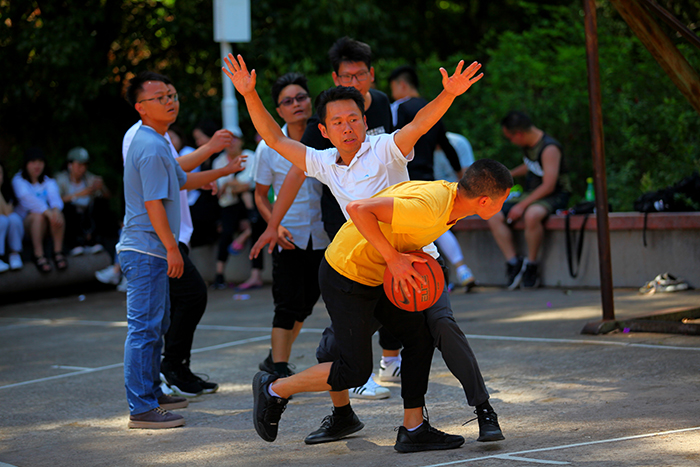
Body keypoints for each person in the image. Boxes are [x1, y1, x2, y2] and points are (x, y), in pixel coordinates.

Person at [225, 53, 504, 448]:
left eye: (354, 119)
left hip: (411, 264)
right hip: (360, 270)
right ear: (324, 130)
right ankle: (332, 411)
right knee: (337, 353)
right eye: (337, 122)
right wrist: (249, 94)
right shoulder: (323, 162)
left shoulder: (385, 149)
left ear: (365, 121)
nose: (347, 127)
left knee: (431, 330)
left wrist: (448, 95)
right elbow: (274, 139)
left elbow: (420, 124)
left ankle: (435, 422)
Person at [252, 36, 399, 401]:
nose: (353, 83)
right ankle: (349, 371)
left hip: (389, 223)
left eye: (359, 75)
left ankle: (387, 362)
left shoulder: (380, 106)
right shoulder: (329, 117)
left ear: (371, 75)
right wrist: (273, 223)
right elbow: (297, 169)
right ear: (335, 78)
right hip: (344, 223)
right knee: (354, 303)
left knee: (394, 299)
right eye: (345, 78)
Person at [119, 71, 245, 429]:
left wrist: (224, 170)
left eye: (172, 94)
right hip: (147, 249)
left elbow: (182, 179)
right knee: (144, 328)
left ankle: (152, 394)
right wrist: (173, 249)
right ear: (141, 107)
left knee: (155, 325)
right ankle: (141, 407)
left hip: (151, 249)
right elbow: (154, 202)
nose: (170, 100)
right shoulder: (148, 144)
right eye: (160, 97)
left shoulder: (157, 142)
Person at [254, 72, 330, 379]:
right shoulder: (267, 147)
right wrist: (275, 224)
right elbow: (260, 195)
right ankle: (279, 372)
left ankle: (275, 358)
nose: (297, 104)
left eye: (301, 97)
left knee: (307, 304)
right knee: (286, 304)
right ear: (279, 110)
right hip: (288, 235)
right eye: (288, 101)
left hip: (324, 235)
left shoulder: (327, 137)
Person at [389, 65, 475, 290]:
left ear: (401, 85)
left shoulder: (398, 108)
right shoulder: (433, 108)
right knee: (437, 224)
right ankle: (462, 268)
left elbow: (391, 142)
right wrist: (460, 175)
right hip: (428, 176)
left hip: (405, 177)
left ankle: (434, 279)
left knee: (416, 229)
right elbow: (446, 145)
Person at [487, 111, 571, 289]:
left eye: (510, 137)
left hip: (554, 194)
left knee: (531, 215)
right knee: (492, 213)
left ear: (519, 134)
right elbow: (531, 165)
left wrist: (522, 206)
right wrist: (508, 174)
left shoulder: (549, 149)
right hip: (532, 193)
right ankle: (514, 263)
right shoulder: (529, 145)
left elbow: (549, 185)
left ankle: (531, 265)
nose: (511, 141)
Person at [211, 127, 256, 289]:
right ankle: (219, 274)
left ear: (241, 140)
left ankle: (245, 234)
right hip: (229, 205)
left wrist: (229, 183)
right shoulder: (219, 161)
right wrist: (234, 184)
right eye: (227, 139)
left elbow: (248, 183)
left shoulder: (250, 156)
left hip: (245, 203)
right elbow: (220, 190)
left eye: (235, 138)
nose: (231, 143)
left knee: (250, 205)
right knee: (227, 231)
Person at [12, 148, 67, 273]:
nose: (37, 166)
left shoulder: (48, 180)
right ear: (26, 164)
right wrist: (48, 212)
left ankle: (58, 252)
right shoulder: (18, 180)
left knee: (58, 214)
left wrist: (56, 210)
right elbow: (28, 200)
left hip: (48, 223)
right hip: (25, 225)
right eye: (33, 162)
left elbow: (55, 198)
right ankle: (38, 255)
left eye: (40, 162)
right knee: (38, 216)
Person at [55, 147, 115, 256]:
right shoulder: (61, 179)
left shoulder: (90, 178)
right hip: (71, 216)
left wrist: (102, 187)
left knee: (100, 204)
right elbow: (56, 201)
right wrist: (78, 194)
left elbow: (107, 197)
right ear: (70, 165)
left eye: (85, 165)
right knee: (69, 208)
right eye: (79, 165)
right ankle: (74, 244)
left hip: (88, 214)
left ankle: (94, 240)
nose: (82, 169)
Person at [0, 161, 24, 272]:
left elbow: (7, 212)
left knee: (14, 218)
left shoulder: (7, 191)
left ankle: (14, 254)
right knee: (2, 221)